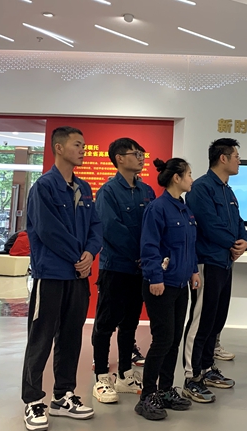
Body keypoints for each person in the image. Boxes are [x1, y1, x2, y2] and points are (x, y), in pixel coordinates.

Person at [22, 126, 102, 431]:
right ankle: (33, 400)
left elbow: (96, 227)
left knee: (70, 336)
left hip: (77, 276)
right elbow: (48, 230)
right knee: (40, 338)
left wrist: (90, 253)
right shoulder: (43, 187)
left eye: (83, 145)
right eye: (77, 144)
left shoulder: (84, 187)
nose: (83, 150)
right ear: (58, 147)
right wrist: (78, 257)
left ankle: (63, 395)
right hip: (52, 274)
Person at [182, 138, 247, 403]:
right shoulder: (201, 188)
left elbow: (238, 221)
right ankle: (191, 377)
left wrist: (245, 241)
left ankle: (207, 368)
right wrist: (234, 243)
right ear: (223, 158)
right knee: (201, 320)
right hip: (207, 262)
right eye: (236, 156)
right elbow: (209, 225)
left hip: (225, 262)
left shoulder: (227, 190)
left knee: (216, 319)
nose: (239, 161)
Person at [91, 138, 156, 404]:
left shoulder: (146, 190)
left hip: (139, 269)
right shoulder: (108, 192)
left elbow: (154, 225)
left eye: (142, 154)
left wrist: (149, 255)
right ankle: (101, 376)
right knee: (106, 323)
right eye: (135, 153)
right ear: (119, 158)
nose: (141, 158)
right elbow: (111, 229)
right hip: (116, 267)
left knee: (130, 323)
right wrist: (140, 254)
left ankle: (125, 374)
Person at [136, 158, 201, 420]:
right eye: (189, 174)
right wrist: (155, 277)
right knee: (162, 339)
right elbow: (149, 245)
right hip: (160, 284)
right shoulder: (158, 208)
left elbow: (189, 245)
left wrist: (194, 270)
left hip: (180, 284)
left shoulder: (184, 209)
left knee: (174, 339)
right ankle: (147, 396)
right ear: (177, 177)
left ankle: (164, 390)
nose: (191, 179)